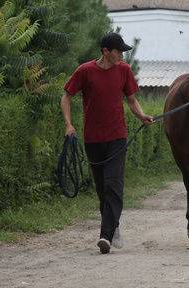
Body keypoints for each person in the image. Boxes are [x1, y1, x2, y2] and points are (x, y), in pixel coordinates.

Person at [60, 32, 154, 254]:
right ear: (105, 51)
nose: (122, 55)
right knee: (102, 188)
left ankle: (105, 235)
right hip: (93, 138)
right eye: (118, 51)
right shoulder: (85, 71)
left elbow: (131, 100)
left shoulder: (124, 70)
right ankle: (114, 226)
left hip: (117, 137)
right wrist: (68, 125)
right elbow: (66, 96)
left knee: (113, 184)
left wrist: (141, 116)